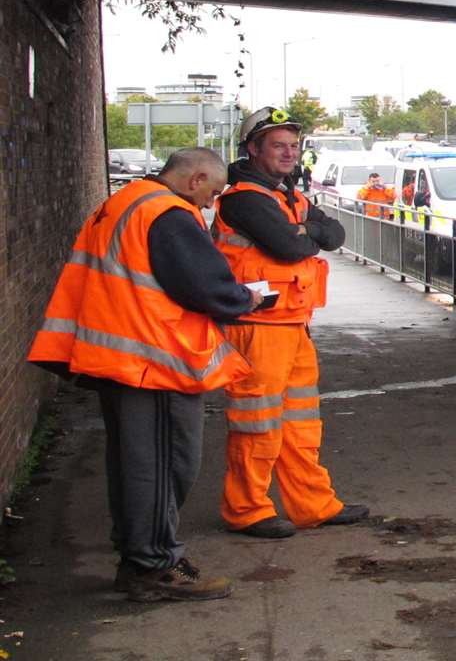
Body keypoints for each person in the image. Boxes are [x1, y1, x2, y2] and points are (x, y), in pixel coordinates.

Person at [28, 148, 261, 602]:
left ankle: (143, 558)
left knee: (135, 466)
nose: (211, 204)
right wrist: (243, 299)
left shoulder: (122, 203)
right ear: (195, 179)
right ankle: (153, 566)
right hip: (153, 363)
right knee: (164, 466)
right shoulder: (170, 214)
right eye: (211, 193)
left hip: (121, 357)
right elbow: (204, 284)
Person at [211, 106, 369, 540]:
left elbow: (334, 236)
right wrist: (304, 233)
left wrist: (304, 232)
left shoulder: (287, 196)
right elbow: (287, 247)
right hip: (257, 324)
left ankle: (312, 505)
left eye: (293, 146)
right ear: (252, 149)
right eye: (278, 145)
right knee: (256, 422)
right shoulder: (244, 198)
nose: (288, 153)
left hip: (292, 325)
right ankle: (246, 509)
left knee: (300, 423)